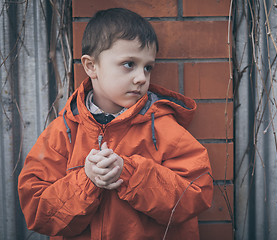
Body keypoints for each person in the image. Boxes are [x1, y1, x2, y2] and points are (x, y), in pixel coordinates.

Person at [18, 7, 213, 240]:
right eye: (129, 64)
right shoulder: (63, 132)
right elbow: (38, 213)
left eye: (148, 67)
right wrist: (86, 180)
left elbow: (196, 194)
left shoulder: (163, 128)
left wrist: (130, 173)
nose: (142, 77)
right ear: (91, 66)